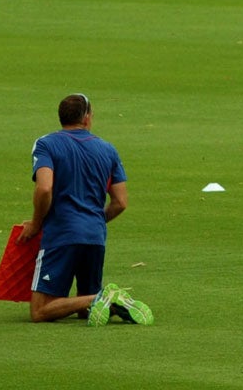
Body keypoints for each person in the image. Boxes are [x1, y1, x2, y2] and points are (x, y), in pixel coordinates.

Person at [24, 94, 152, 325]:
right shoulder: (108, 149)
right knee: (88, 311)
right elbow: (120, 202)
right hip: (95, 236)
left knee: (40, 311)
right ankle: (111, 302)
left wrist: (36, 223)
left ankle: (102, 296)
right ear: (86, 118)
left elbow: (44, 188)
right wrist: (93, 219)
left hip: (61, 234)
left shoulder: (46, 144)